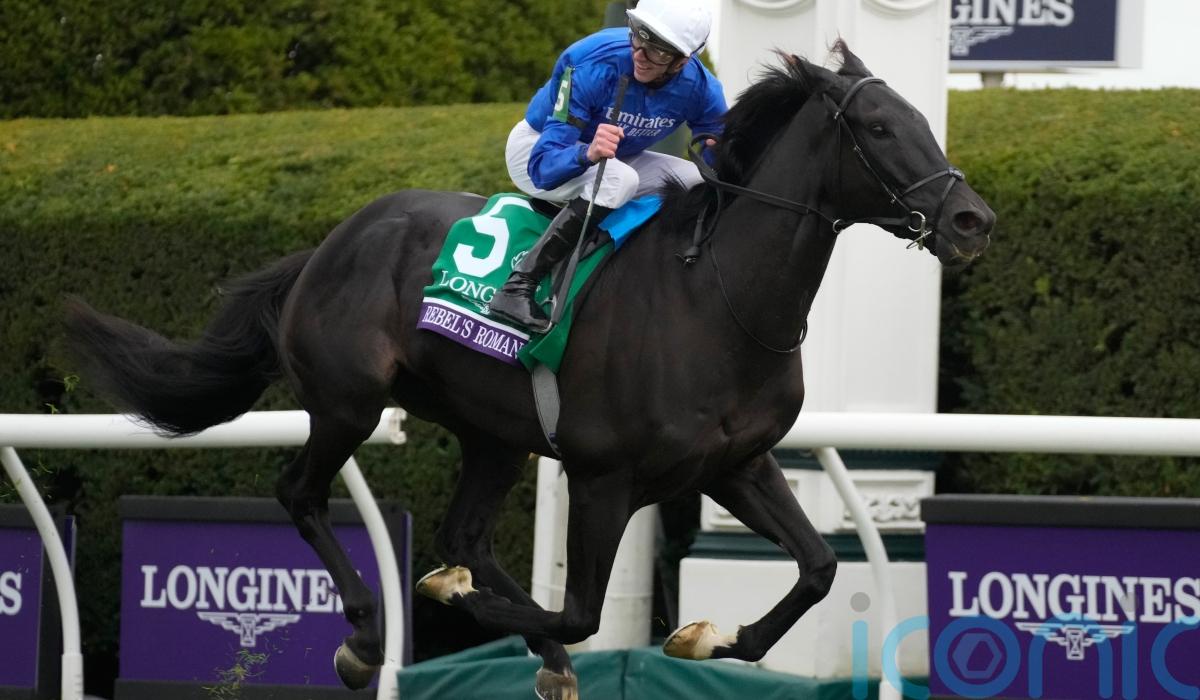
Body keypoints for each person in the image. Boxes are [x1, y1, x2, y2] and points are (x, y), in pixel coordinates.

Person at [488, 0, 727, 333]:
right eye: (639, 35)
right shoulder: (592, 63)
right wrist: (586, 152)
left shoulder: (702, 89)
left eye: (658, 51)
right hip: (536, 150)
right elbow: (542, 166)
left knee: (695, 182)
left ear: (682, 61)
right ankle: (518, 286)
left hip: (616, 159)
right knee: (620, 179)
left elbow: (718, 158)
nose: (640, 54)